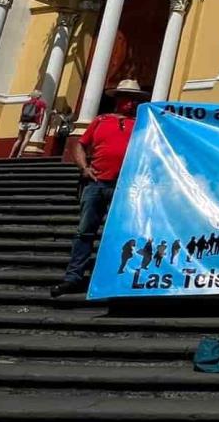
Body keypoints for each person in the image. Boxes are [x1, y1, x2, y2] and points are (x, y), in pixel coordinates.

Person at [51, 79, 149, 297]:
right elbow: (80, 145)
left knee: (123, 234)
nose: (131, 103)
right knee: (84, 232)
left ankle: (116, 277)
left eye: (134, 99)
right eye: (127, 98)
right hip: (96, 183)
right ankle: (73, 277)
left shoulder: (142, 123)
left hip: (125, 186)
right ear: (118, 99)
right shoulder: (100, 120)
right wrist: (84, 168)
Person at [10, 89, 47, 158]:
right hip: (33, 122)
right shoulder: (41, 103)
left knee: (19, 139)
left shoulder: (26, 103)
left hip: (23, 122)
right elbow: (41, 113)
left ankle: (11, 154)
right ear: (39, 96)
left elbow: (22, 112)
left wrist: (20, 121)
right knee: (27, 138)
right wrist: (40, 123)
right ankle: (20, 153)